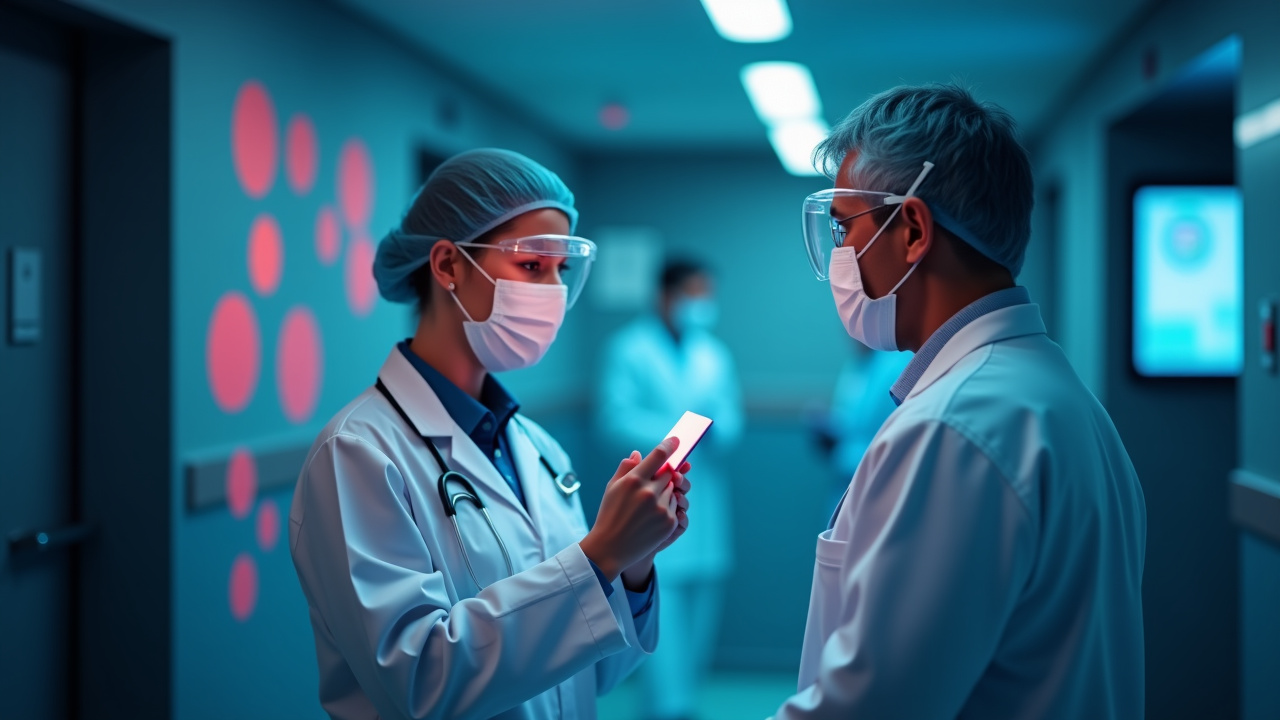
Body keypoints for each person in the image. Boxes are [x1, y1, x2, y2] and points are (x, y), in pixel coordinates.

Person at [772, 84, 1146, 719]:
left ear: (912, 229)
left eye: (845, 228)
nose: (840, 256)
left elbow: (871, 707)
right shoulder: (1053, 396)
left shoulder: (956, 427)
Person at [289, 148, 693, 720]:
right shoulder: (357, 454)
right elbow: (417, 683)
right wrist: (599, 556)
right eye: (532, 266)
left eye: (562, 271)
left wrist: (631, 564)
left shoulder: (534, 447)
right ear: (449, 265)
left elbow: (595, 670)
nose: (552, 291)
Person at [597, 258, 743, 720]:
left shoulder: (714, 354)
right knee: (661, 616)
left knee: (699, 623)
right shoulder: (628, 349)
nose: (701, 305)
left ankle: (682, 704)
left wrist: (714, 431)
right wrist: (678, 435)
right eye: (693, 294)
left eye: (707, 295)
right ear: (665, 295)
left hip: (707, 502)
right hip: (656, 494)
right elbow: (613, 418)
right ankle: (667, 710)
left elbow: (733, 420)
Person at [807, 342, 912, 516]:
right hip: (845, 493)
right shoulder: (856, 364)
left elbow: (893, 450)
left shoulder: (895, 367)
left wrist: (839, 450)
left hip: (876, 502)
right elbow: (850, 421)